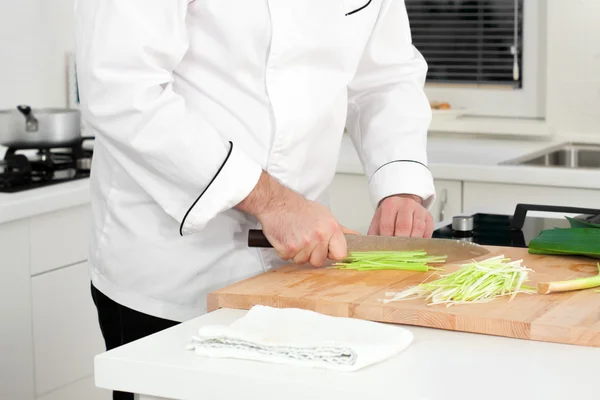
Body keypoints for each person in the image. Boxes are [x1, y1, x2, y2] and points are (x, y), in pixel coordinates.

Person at [75, 1, 435, 398]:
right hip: (174, 263)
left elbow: (384, 78)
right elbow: (121, 89)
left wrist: (399, 184)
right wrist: (273, 202)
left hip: (297, 270)